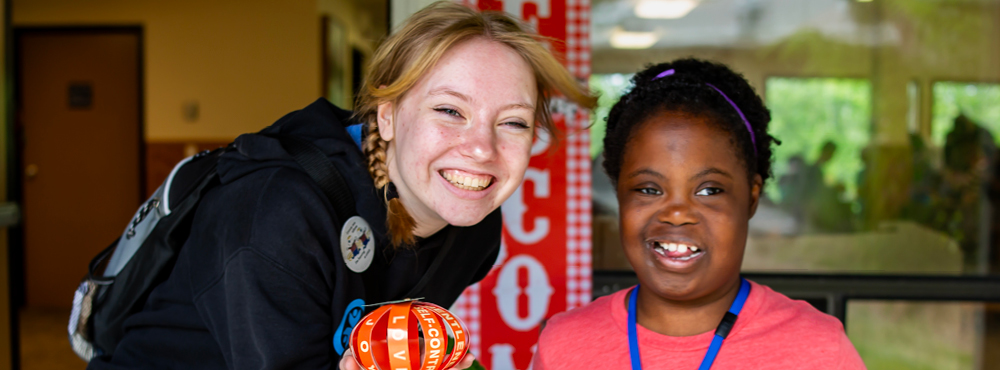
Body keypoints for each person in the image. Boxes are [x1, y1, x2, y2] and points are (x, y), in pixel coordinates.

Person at [87, 2, 595, 369]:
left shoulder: (474, 226)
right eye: (449, 111)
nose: (481, 148)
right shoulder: (278, 212)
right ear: (389, 116)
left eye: (513, 122)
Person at [531, 59, 865, 369]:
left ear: (751, 198)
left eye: (709, 190)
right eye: (649, 189)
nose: (677, 214)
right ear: (619, 195)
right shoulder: (564, 346)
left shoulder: (818, 350)